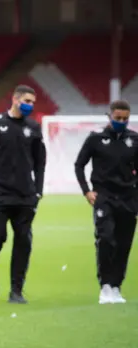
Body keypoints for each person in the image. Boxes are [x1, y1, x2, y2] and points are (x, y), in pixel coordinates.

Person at [0, 85, 46, 304]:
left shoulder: (34, 127)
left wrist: (38, 191)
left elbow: (40, 162)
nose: (29, 105)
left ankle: (16, 290)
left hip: (25, 196)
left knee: (23, 241)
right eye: (27, 100)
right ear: (15, 98)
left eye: (32, 102)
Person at [74, 99, 137, 305]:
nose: (121, 121)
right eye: (117, 118)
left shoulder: (134, 140)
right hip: (104, 197)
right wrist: (86, 191)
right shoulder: (96, 138)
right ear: (109, 117)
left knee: (124, 244)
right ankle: (105, 286)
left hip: (129, 199)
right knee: (106, 239)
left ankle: (117, 286)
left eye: (125, 119)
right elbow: (79, 165)